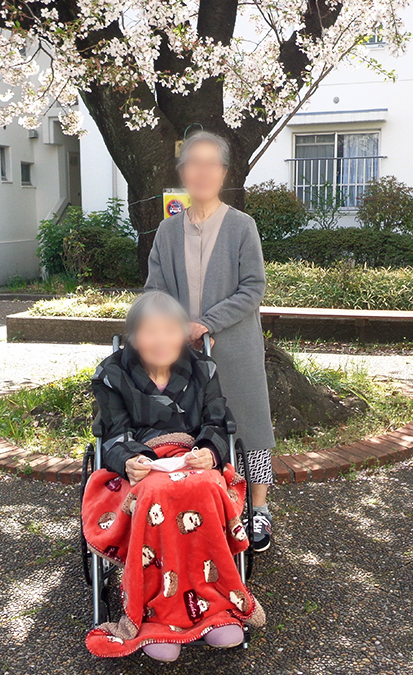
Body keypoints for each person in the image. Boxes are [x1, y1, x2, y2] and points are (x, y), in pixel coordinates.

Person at [82, 291, 264, 662]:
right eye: (150, 332)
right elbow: (113, 432)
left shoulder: (202, 368)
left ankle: (216, 606)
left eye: (170, 331)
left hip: (193, 459)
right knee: (154, 494)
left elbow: (218, 421)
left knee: (208, 486)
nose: (161, 340)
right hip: (141, 466)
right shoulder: (112, 374)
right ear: (133, 337)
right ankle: (154, 615)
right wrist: (130, 460)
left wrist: (210, 452)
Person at [146, 130, 277, 552]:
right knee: (188, 430)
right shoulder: (167, 231)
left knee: (251, 427)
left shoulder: (241, 226)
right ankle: (198, 509)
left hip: (235, 346)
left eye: (210, 164)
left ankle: (258, 510)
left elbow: (253, 287)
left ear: (223, 172)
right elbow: (155, 290)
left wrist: (205, 323)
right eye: (192, 163)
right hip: (181, 352)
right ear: (182, 172)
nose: (201, 172)